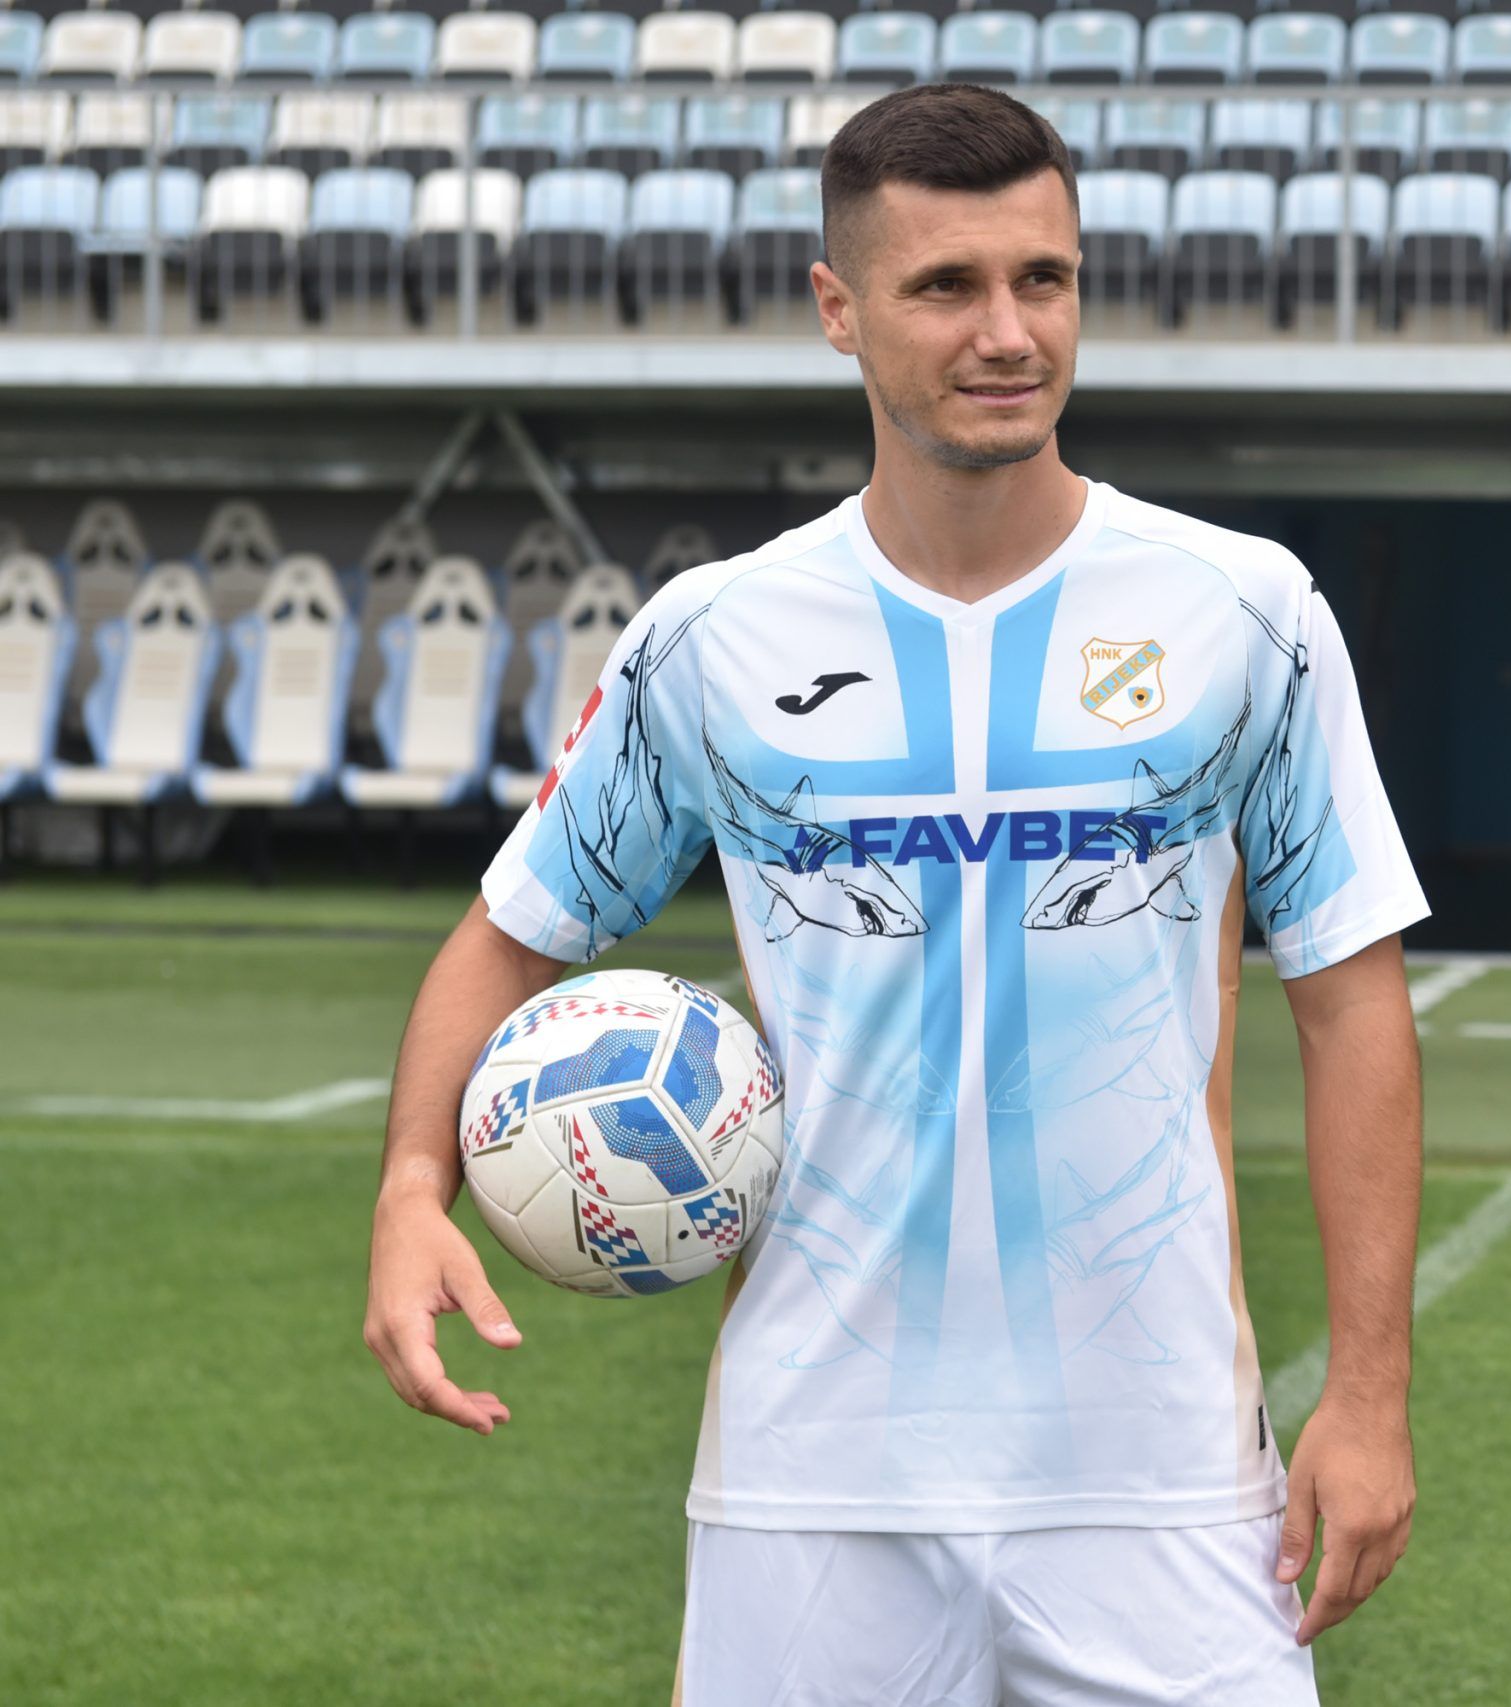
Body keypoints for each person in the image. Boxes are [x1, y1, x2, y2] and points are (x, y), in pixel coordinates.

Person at [362, 82, 1431, 1705]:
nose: (1008, 332)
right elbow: (509, 937)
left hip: (1158, 1474)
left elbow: (1352, 1004)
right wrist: (408, 1191)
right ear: (839, 307)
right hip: (811, 1479)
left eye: (1043, 279)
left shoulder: (1246, 612)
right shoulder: (714, 636)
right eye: (947, 287)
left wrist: (1368, 1393)